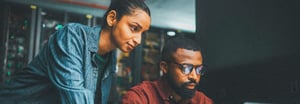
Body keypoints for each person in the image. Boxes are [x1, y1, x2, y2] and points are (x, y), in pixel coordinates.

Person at [0, 0, 151, 103]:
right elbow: (76, 96)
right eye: (134, 28)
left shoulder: (110, 59)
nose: (138, 40)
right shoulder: (72, 36)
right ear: (112, 18)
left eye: (142, 33)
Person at [122, 35, 213, 104]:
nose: (194, 76)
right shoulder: (140, 98)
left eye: (198, 69)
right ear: (164, 67)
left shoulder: (202, 101)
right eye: (186, 68)